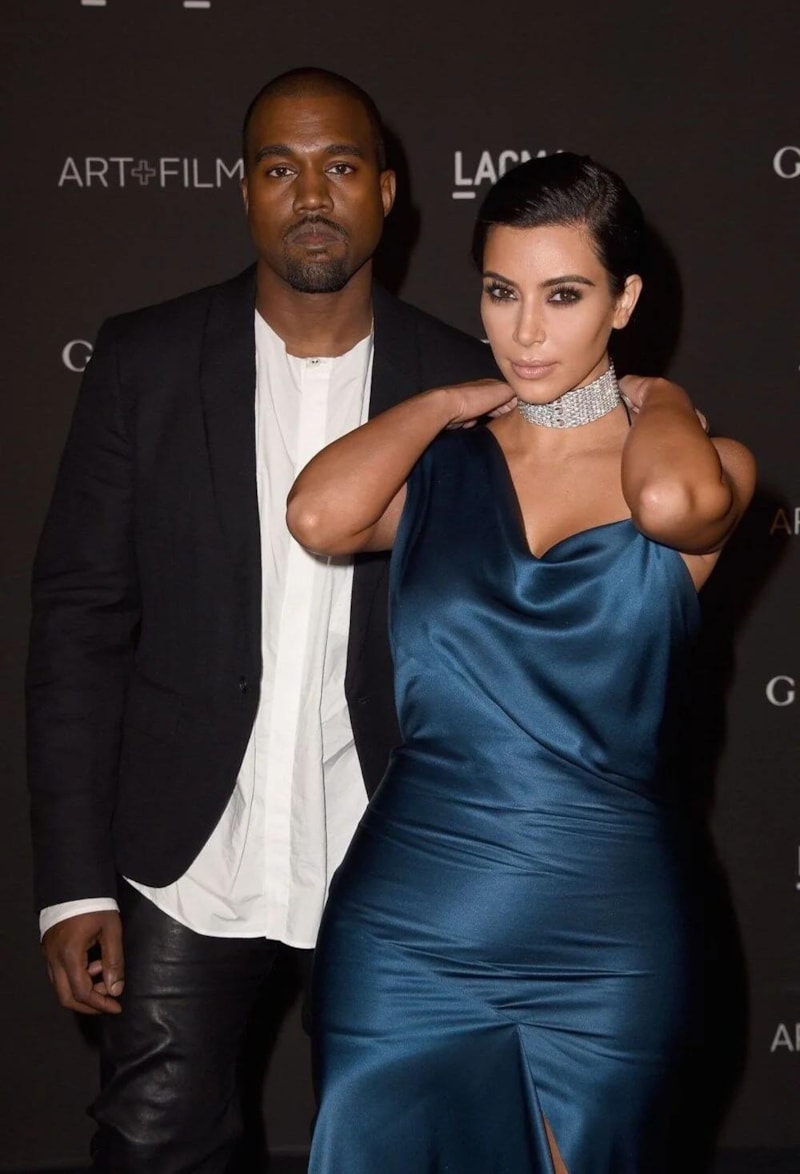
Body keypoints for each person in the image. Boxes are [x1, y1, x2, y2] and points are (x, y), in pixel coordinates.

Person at [25, 68, 502, 1171]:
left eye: (340, 167)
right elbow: (80, 629)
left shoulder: (464, 385)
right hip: (188, 855)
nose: (312, 196)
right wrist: (72, 883)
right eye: (280, 169)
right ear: (244, 192)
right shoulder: (143, 363)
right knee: (153, 1149)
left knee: (403, 1152)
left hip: (396, 849)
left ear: (387, 191)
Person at [287, 153, 756, 1173]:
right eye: (502, 293)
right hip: (410, 924)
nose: (526, 331)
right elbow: (317, 516)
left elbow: (670, 508)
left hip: (606, 935)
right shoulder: (445, 469)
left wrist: (659, 396)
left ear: (624, 300)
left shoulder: (701, 462)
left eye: (564, 295)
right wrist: (443, 404)